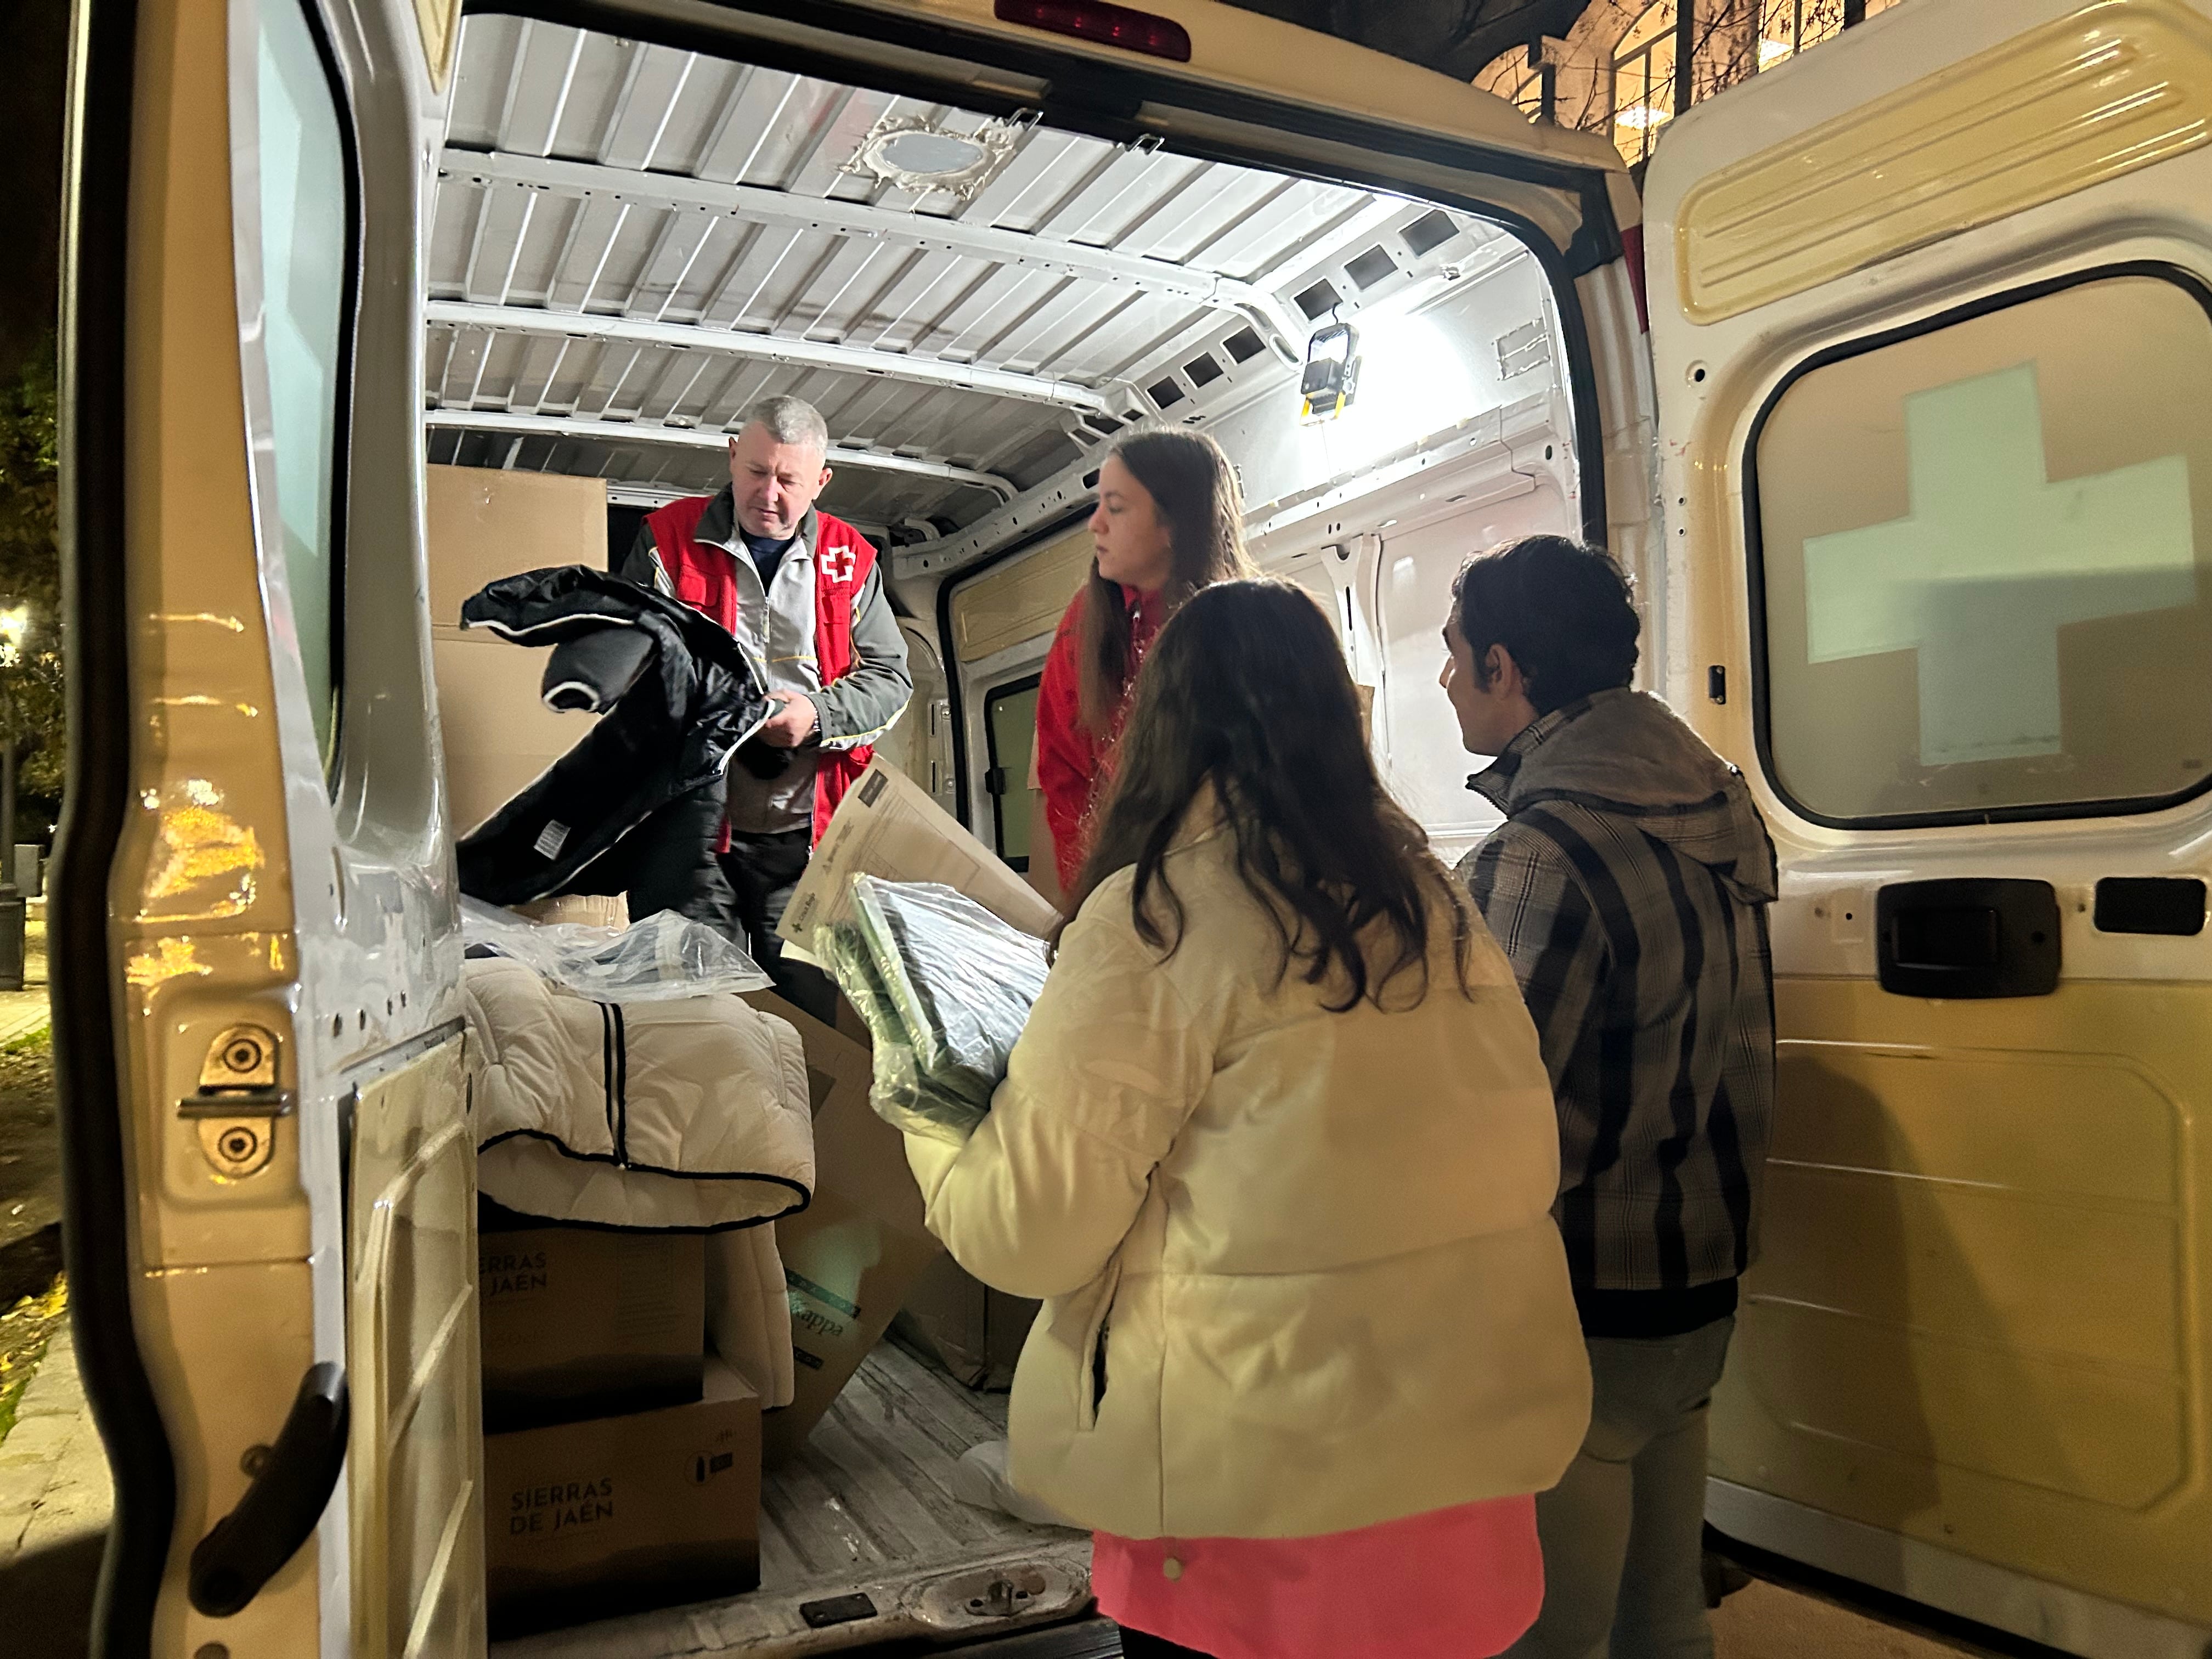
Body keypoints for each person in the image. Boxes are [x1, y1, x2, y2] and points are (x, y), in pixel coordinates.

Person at [904, 579, 1592, 1659]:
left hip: (1253, 1518)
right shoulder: (1439, 904)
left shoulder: (1160, 919)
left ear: (1161, 725)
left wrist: (925, 1100)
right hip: (1464, 1487)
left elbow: (1026, 1234)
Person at [1440, 534, 1778, 1659]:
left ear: (1505, 666)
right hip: (1698, 1286)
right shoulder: (1718, 813)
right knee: (1664, 1614)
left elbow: (1494, 1116)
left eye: (1453, 657)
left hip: (1580, 1301)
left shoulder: (1538, 853)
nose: (1443, 682)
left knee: (1548, 1639)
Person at [621, 394, 911, 1019]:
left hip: (804, 842)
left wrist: (816, 718)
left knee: (812, 1018)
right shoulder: (664, 541)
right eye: (756, 472)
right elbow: (629, 667)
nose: (769, 494)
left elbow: (892, 680)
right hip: (690, 836)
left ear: (821, 482)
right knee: (696, 1014)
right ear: (732, 456)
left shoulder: (853, 560)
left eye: (788, 480)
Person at [1031, 428, 1256, 898]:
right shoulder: (1083, 625)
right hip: (1125, 889)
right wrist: (1095, 903)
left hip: (1235, 887)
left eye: (1116, 508)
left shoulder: (1250, 623)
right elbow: (1066, 780)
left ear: (1175, 522)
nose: (1095, 524)